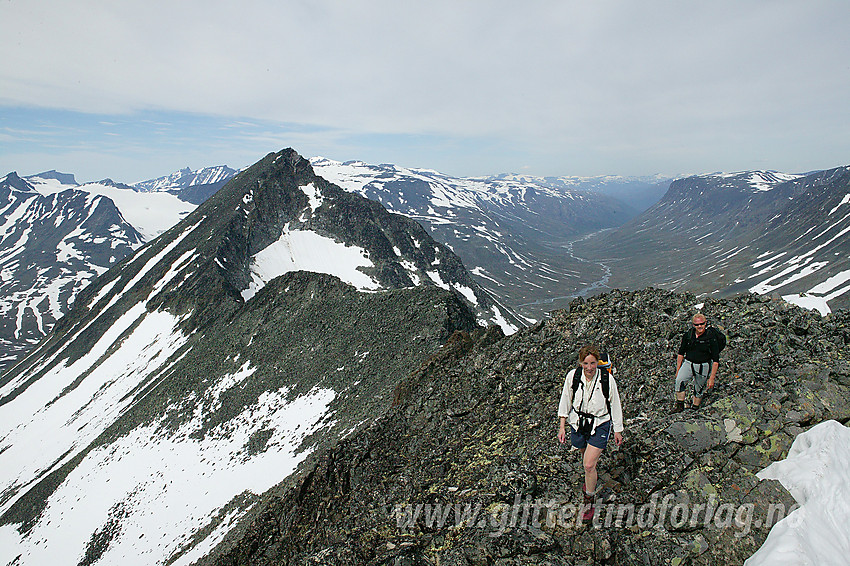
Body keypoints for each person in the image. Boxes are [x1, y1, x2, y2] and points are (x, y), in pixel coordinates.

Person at [557, 345, 625, 523]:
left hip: (600, 422)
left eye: (593, 363)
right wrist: (562, 425)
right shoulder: (573, 376)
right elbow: (566, 399)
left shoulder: (606, 379)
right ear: (580, 363)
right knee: (584, 454)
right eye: (585, 363)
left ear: (598, 363)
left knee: (588, 464)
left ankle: (589, 500)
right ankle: (590, 482)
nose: (589, 368)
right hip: (578, 422)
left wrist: (618, 429)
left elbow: (615, 403)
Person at [672, 313, 719, 413]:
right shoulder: (688, 335)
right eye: (697, 324)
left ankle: (694, 409)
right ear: (693, 325)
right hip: (688, 363)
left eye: (702, 324)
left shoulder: (711, 338)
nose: (700, 326)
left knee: (699, 389)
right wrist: (678, 370)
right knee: (679, 381)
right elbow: (681, 353)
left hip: (703, 366)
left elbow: (715, 360)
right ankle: (679, 406)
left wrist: (711, 378)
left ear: (705, 323)